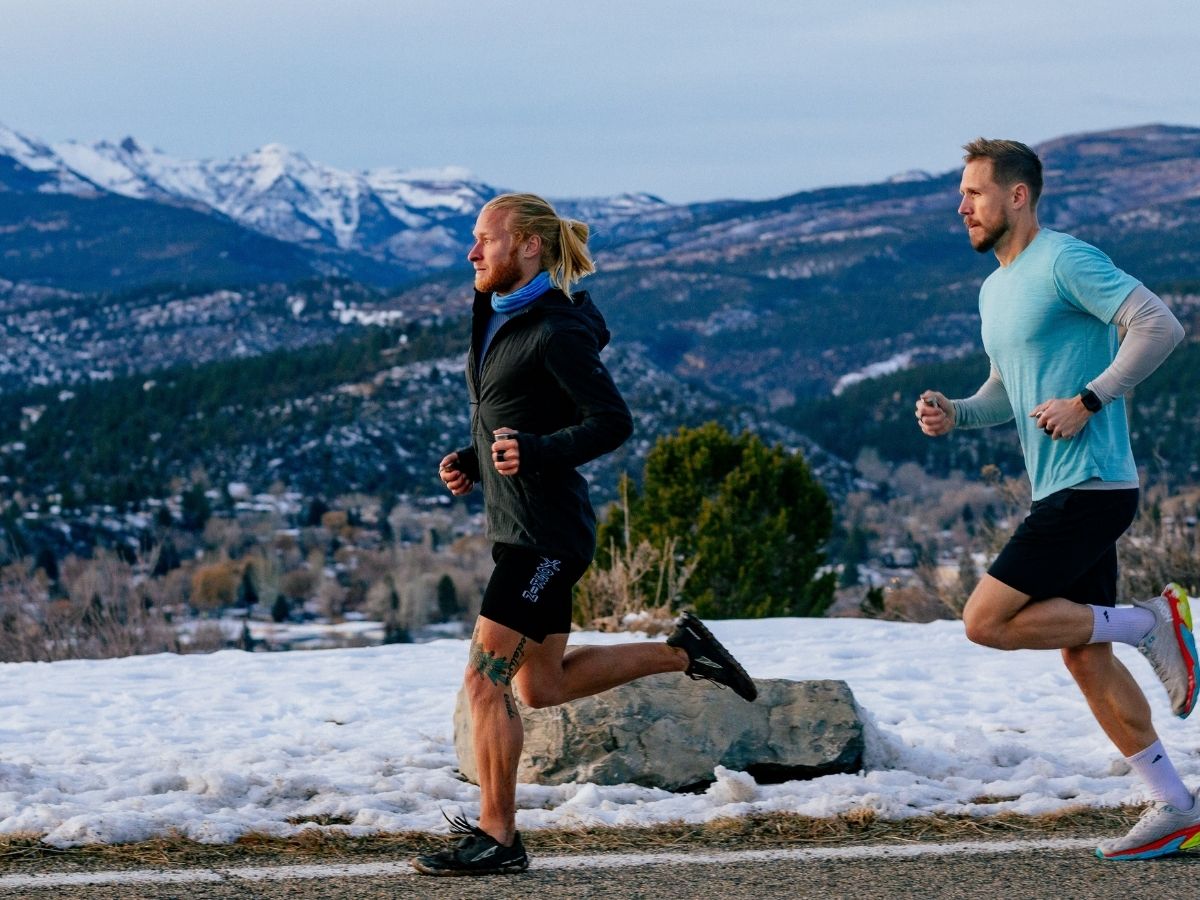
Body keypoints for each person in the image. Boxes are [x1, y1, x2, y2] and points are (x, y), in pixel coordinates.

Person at [412, 192, 757, 877]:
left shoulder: (555, 329)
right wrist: (474, 461)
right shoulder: (496, 315)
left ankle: (499, 838)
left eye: (485, 238)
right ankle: (684, 653)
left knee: (485, 683)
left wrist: (532, 454)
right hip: (520, 527)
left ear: (529, 247)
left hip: (545, 537)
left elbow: (611, 422)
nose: (472, 252)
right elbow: (520, 416)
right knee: (539, 687)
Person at [916, 138, 1198, 861]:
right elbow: (1004, 393)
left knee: (985, 621)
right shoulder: (995, 288)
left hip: (1093, 484)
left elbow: (1161, 325)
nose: (962, 206)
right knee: (1082, 652)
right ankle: (1174, 804)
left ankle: (1148, 621)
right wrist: (957, 411)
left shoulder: (1065, 259)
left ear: (1018, 196)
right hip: (1061, 487)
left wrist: (1089, 399)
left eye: (974, 193)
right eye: (962, 194)